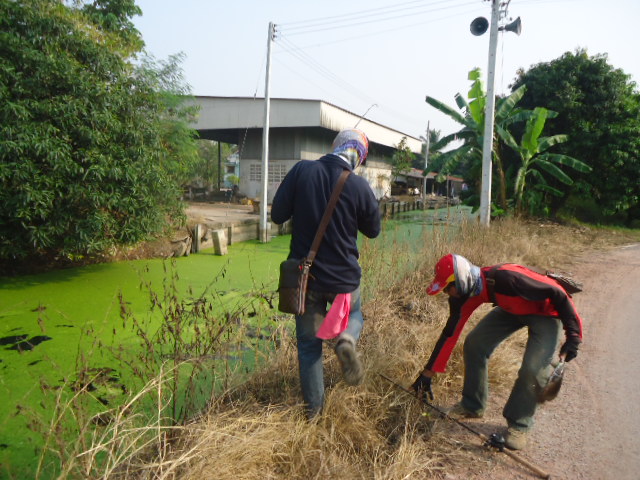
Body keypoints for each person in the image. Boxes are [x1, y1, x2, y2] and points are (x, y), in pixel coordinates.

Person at [411, 254, 583, 450]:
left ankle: (519, 425)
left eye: (448, 288)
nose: (448, 293)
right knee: (475, 343)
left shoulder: (507, 278)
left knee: (533, 369)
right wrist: (427, 374)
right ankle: (472, 405)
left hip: (546, 313)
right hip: (511, 310)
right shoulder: (464, 294)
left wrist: (573, 337)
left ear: (461, 279)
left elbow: (559, 294)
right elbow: (450, 334)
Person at [271, 129, 381, 419]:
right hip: (344, 279)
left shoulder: (302, 171)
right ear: (359, 157)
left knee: (309, 347)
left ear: (334, 146)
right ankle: (346, 338)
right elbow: (373, 231)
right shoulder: (359, 186)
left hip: (305, 279)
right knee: (356, 315)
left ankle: (314, 416)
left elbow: (277, 215)